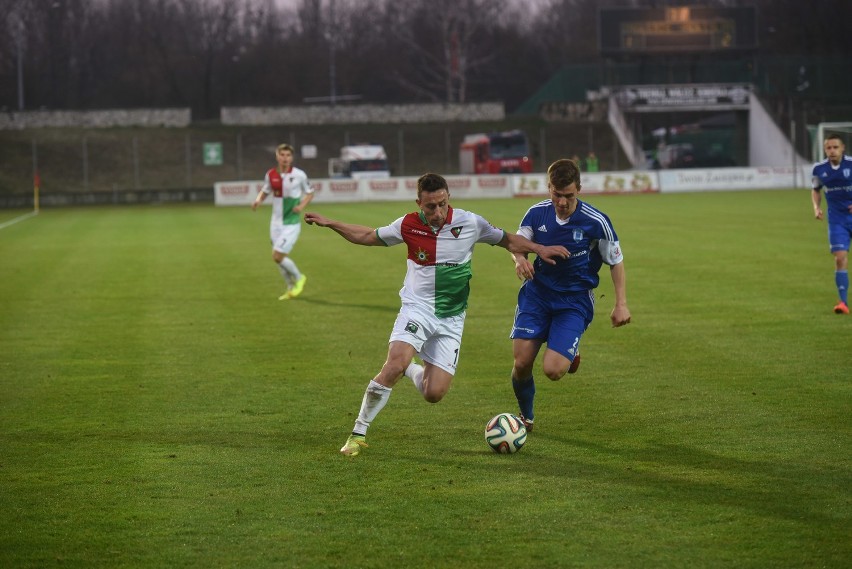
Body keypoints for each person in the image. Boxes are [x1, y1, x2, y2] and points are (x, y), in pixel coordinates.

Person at [304, 173, 569, 456]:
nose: (438, 212)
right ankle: (358, 433)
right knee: (393, 365)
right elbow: (368, 236)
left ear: (448, 199)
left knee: (434, 393)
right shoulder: (408, 225)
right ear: (419, 203)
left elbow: (508, 241)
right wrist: (331, 223)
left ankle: (409, 367)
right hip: (417, 308)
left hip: (452, 318)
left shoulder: (470, 222)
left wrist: (539, 249)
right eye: (430, 206)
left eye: (442, 204)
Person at [508, 158, 631, 432]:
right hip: (537, 295)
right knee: (522, 362)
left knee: (553, 371)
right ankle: (526, 417)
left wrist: (620, 304)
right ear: (548, 187)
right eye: (556, 194)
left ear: (580, 189)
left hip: (573, 301)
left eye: (569, 196)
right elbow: (517, 244)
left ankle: (568, 348)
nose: (562, 202)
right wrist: (519, 259)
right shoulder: (536, 213)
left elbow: (616, 261)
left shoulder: (596, 222)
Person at [252, 143, 314, 300]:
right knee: (278, 258)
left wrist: (301, 206)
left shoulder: (299, 175)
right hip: (276, 223)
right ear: (277, 156)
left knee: (277, 256)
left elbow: (310, 192)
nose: (285, 158)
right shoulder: (271, 174)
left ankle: (299, 278)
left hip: (291, 223)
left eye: (288, 155)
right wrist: (258, 200)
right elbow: (265, 190)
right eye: (282, 155)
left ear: (292, 158)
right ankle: (290, 287)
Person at [811, 133, 852, 314]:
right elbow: (815, 190)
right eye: (829, 148)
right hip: (837, 220)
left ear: (842, 148)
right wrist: (816, 207)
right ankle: (843, 303)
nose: (832, 151)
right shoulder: (819, 169)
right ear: (825, 149)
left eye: (836, 147)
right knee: (840, 257)